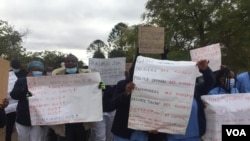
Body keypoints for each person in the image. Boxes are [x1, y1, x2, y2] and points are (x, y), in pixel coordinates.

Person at [51, 53, 98, 141]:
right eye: (68, 61)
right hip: (65, 119)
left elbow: (97, 89)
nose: (70, 63)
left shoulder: (87, 76)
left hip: (82, 118)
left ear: (77, 63)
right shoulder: (57, 76)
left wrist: (101, 86)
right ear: (64, 63)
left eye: (73, 61)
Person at [166, 59, 216, 141]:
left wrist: (205, 69)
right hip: (173, 137)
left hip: (195, 137)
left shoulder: (195, 90)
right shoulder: (165, 93)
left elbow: (210, 81)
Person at [111, 58, 148, 141]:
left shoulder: (151, 86)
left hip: (142, 132)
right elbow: (113, 104)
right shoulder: (122, 84)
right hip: (122, 132)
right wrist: (126, 94)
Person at [10, 60, 48, 141]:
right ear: (29, 71)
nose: (37, 72)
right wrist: (28, 82)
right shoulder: (21, 81)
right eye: (34, 70)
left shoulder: (46, 82)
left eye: (39, 70)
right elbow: (14, 95)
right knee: (23, 138)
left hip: (39, 118)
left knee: (36, 139)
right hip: (23, 117)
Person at [5, 59, 28, 141]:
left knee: (21, 127)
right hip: (11, 106)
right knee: (9, 126)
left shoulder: (25, 74)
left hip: (21, 105)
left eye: (16, 66)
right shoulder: (7, 74)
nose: (15, 68)